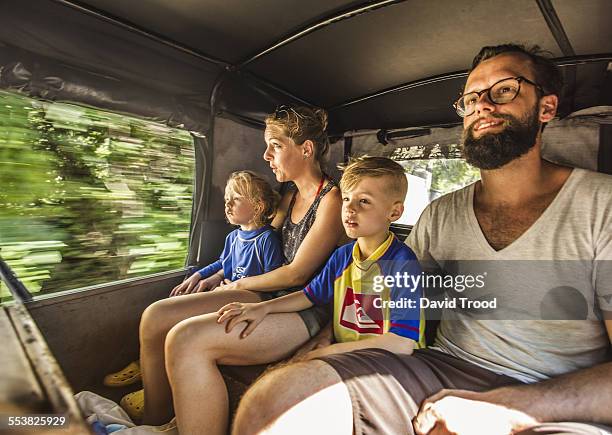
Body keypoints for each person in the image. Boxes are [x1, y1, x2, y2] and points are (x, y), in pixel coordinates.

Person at [231, 44, 612, 435]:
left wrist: (513, 407)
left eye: (504, 91)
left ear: (546, 108)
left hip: (558, 399)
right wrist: (322, 342)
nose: (481, 105)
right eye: (470, 98)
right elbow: (395, 305)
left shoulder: (602, 207)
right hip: (437, 369)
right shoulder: (440, 215)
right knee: (275, 402)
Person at [122, 106, 344, 431]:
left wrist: (237, 286)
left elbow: (297, 274)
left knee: (185, 338)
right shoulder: (289, 193)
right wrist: (215, 275)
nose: (266, 155)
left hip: (303, 308)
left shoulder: (332, 200)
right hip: (265, 293)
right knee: (155, 316)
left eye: (276, 145)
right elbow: (258, 238)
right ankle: (155, 424)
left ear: (306, 149)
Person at [217, 156, 425, 357]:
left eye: (364, 201)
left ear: (395, 212)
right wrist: (262, 308)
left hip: (388, 359)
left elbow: (401, 342)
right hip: (348, 351)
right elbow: (309, 295)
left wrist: (327, 352)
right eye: (346, 199)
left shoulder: (402, 263)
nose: (349, 209)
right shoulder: (343, 256)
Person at [105, 170, 283, 389]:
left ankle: (153, 375)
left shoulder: (266, 239)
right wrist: (200, 275)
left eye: (235, 199)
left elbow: (274, 279)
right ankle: (146, 366)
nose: (227, 205)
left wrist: (237, 287)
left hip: (246, 299)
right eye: (226, 199)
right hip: (225, 291)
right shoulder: (233, 237)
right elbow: (223, 263)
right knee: (179, 303)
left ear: (258, 206)